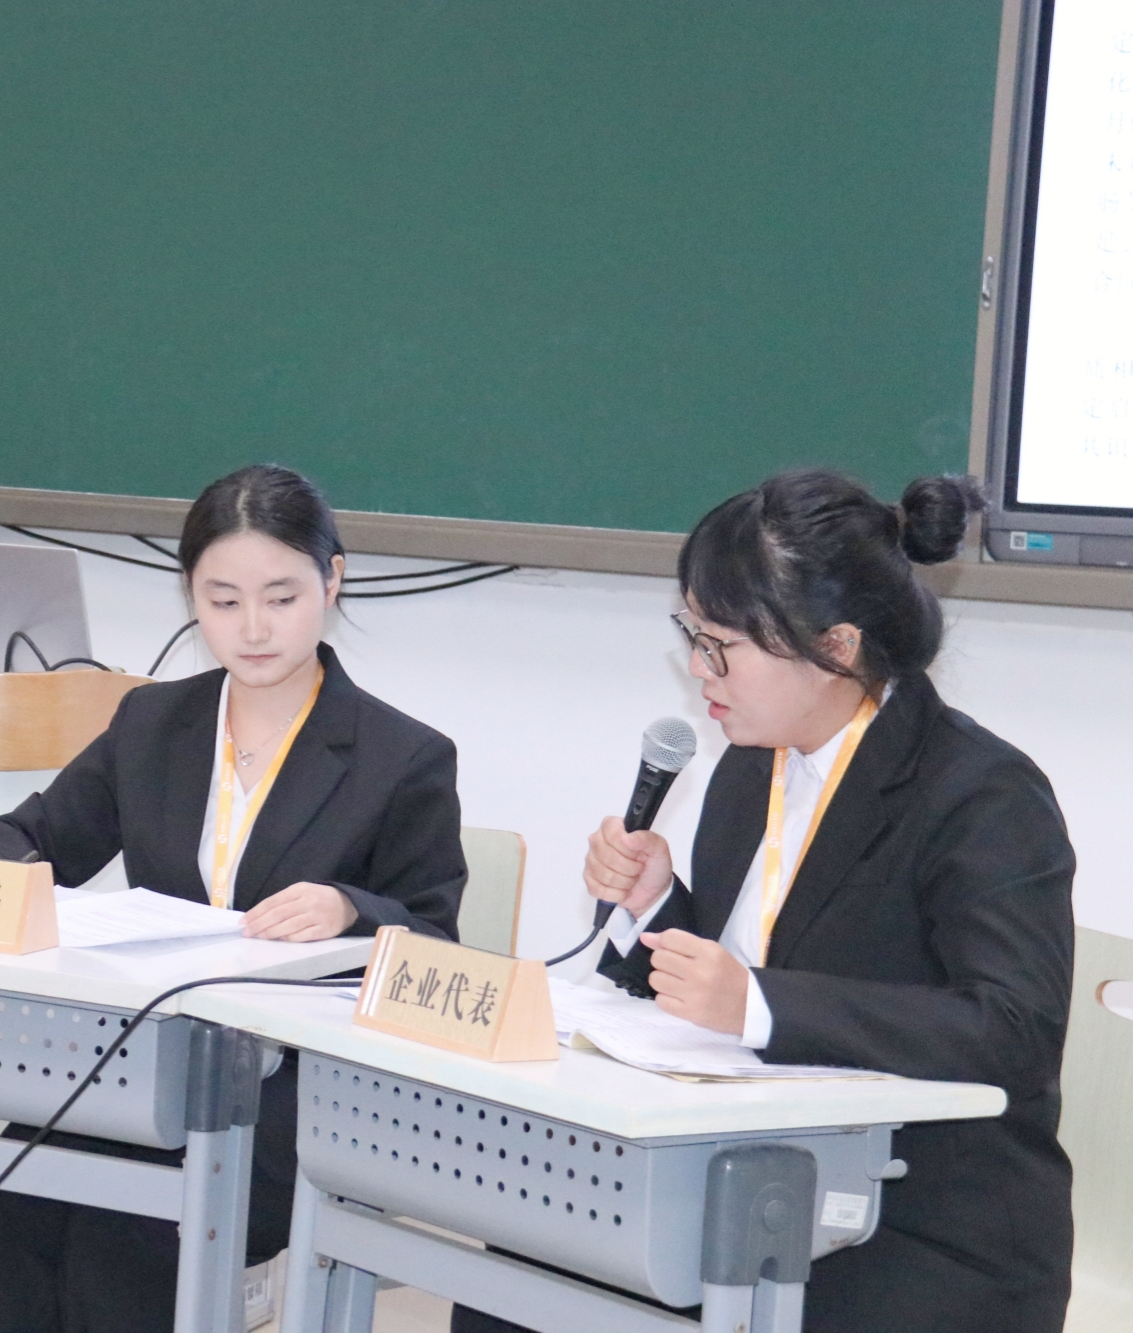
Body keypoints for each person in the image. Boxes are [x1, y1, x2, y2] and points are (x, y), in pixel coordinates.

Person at [456, 471, 1074, 1333]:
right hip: (744, 1176)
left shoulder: (980, 791)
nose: (698, 668)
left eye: (722, 645)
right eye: (691, 634)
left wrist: (759, 1003)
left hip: (920, 1221)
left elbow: (1013, 1031)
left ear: (837, 647)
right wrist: (655, 909)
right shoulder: (752, 764)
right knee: (520, 1268)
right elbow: (731, 984)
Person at [0, 463, 467, 1333]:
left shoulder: (401, 756)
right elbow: (39, 834)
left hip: (290, 1098)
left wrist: (350, 910)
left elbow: (437, 945)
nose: (253, 628)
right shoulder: (152, 723)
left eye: (281, 597)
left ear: (331, 581)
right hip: (139, 1066)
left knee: (117, 1246)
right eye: (223, 600)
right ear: (190, 595)